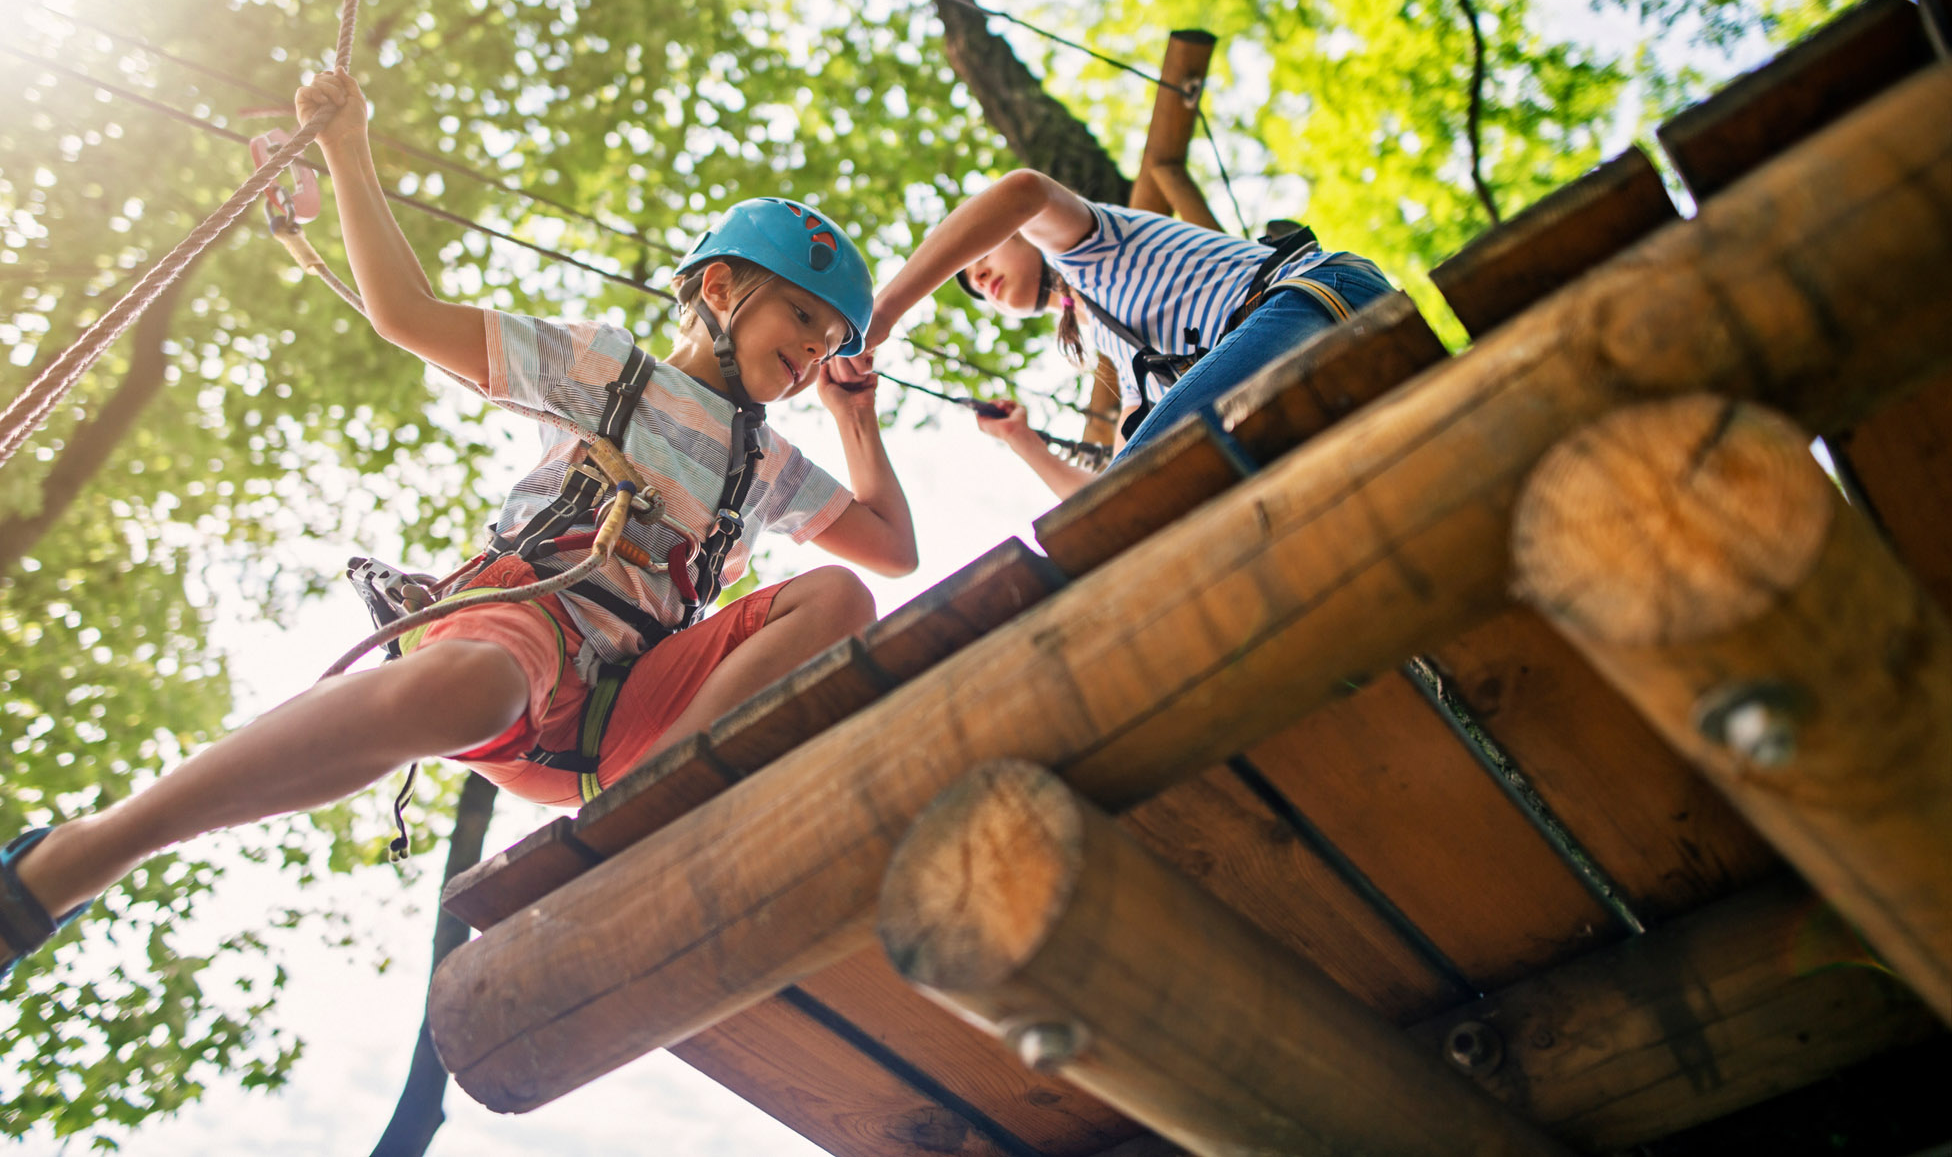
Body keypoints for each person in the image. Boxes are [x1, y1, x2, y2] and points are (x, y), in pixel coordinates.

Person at [0, 70, 916, 980]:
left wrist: (852, 414)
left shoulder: (768, 466)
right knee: (481, 684)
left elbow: (891, 548)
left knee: (839, 595)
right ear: (719, 288)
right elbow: (406, 314)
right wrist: (349, 149)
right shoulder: (609, 368)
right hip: (526, 628)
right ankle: (90, 850)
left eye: (831, 338)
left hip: (628, 708)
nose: (813, 348)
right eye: (803, 315)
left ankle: (658, 800)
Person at [860, 168, 1395, 498]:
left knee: (1146, 480)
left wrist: (882, 313)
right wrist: (1022, 442)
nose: (978, 280)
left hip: (1318, 295)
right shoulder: (1125, 362)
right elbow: (1105, 499)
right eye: (974, 290)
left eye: (981, 257)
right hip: (1285, 347)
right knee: (1131, 496)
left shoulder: (1089, 248)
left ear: (1024, 237)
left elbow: (1022, 190)